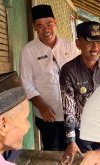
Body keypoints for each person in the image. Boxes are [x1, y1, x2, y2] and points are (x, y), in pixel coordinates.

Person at [59, 21, 100, 165]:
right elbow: (69, 108)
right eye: (90, 42)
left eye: (99, 43)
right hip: (82, 131)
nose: (95, 48)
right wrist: (71, 141)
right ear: (78, 43)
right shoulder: (68, 70)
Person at [20, 4, 78, 151]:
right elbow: (26, 82)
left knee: (76, 152)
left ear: (55, 22)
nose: (46, 29)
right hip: (47, 115)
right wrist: (42, 106)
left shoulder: (70, 46)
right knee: (52, 153)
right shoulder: (28, 51)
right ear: (34, 27)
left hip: (73, 113)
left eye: (49, 24)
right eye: (40, 25)